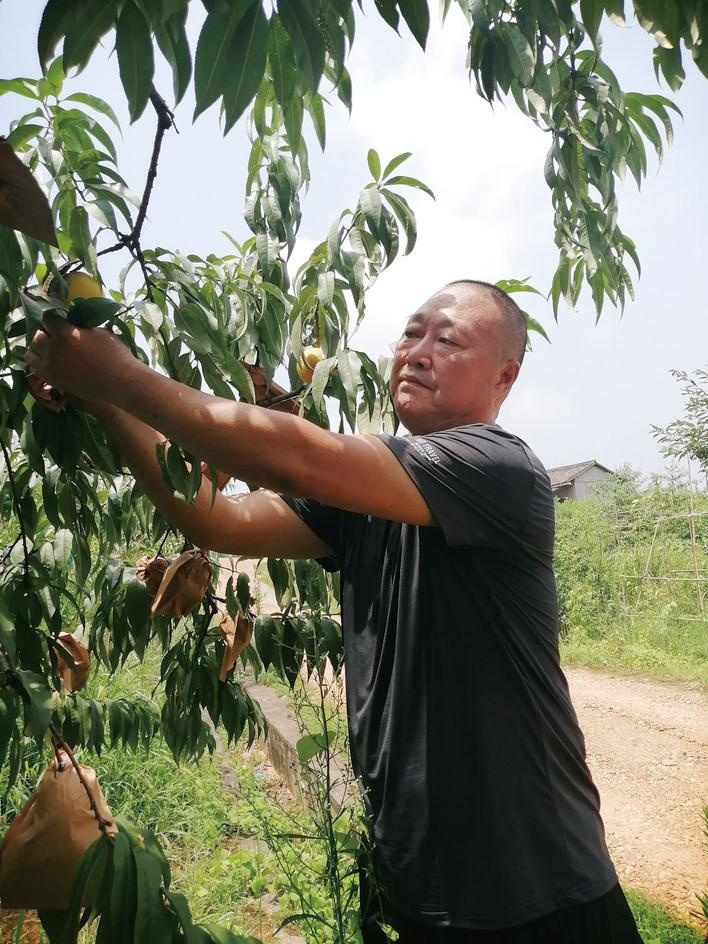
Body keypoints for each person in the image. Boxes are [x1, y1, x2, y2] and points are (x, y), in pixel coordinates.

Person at [26, 280, 643, 943]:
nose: (417, 351)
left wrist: (122, 375)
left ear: (505, 377)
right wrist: (109, 406)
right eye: (410, 333)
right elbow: (219, 520)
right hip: (416, 887)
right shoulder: (367, 498)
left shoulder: (500, 466)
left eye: (448, 338)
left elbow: (302, 461)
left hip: (537, 890)